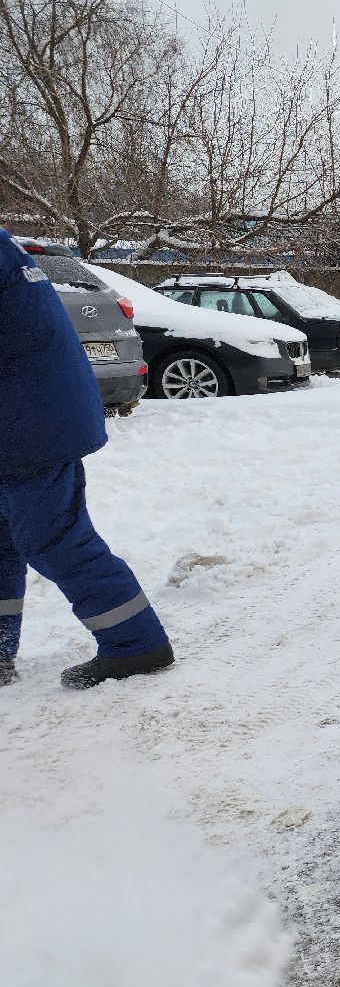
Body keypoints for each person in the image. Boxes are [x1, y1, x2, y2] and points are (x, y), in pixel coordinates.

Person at [0, 229, 174, 690]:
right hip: (31, 414)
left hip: (29, 424)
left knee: (53, 535)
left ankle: (135, 642)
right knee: (5, 538)